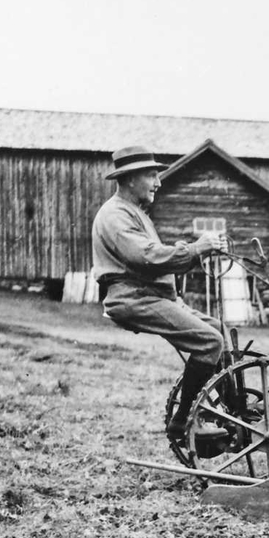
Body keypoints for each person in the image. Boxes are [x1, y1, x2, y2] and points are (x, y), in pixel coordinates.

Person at [91, 145, 229, 441]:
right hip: (135, 298)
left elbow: (156, 255)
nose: (159, 183)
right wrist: (195, 248)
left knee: (218, 330)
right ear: (129, 179)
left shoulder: (135, 213)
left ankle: (230, 411)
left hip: (156, 296)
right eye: (152, 176)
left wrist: (199, 250)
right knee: (209, 342)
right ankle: (184, 421)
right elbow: (148, 258)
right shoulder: (115, 216)